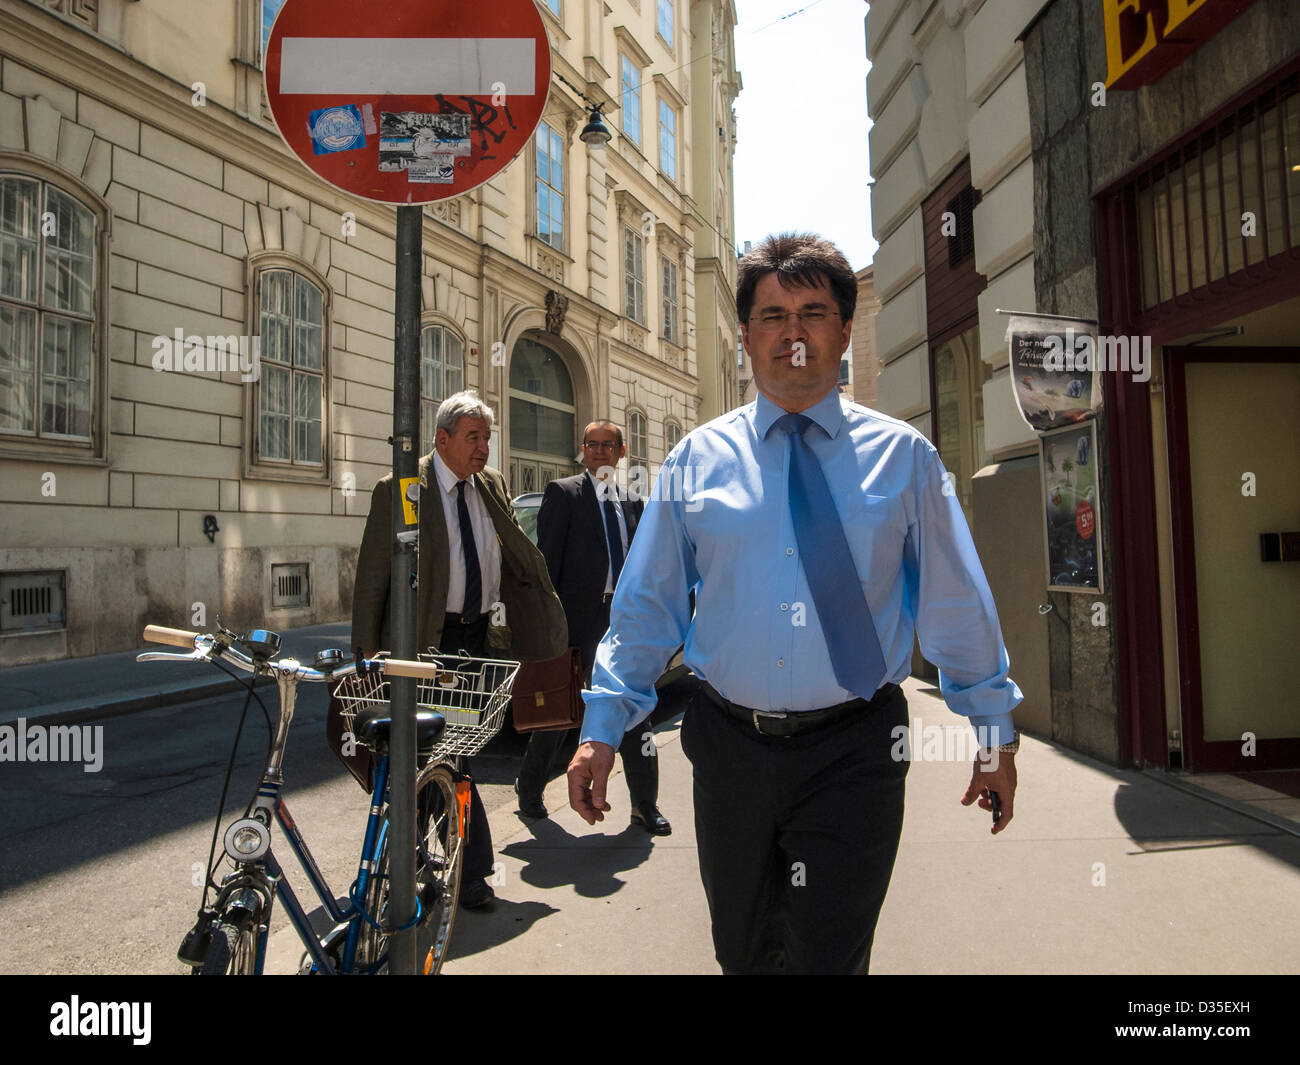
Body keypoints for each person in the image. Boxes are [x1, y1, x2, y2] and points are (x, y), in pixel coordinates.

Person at [567, 232, 1022, 973]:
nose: (793, 332)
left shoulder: (905, 460)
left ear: (844, 330)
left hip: (855, 751)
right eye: (773, 315)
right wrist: (602, 726)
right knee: (742, 953)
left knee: (828, 958)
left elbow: (956, 604)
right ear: (746, 336)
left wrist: (993, 728)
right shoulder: (695, 461)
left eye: (813, 311)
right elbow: (647, 605)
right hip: (728, 749)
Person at [350, 389, 568, 910]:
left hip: (477, 639)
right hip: (428, 641)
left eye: (488, 438)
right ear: (441, 439)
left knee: (449, 757)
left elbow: (509, 551)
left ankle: (425, 865)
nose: (484, 448)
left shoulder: (487, 484)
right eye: (474, 438)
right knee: (444, 758)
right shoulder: (402, 490)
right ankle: (467, 872)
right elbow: (371, 579)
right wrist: (363, 656)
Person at [514, 420, 670, 835]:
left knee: (634, 708)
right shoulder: (564, 494)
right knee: (560, 714)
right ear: (583, 451)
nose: (599, 452)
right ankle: (528, 790)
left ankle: (644, 806)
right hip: (576, 621)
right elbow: (546, 564)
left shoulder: (634, 503)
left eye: (607, 445)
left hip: (622, 621)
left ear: (621, 453)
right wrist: (552, 626)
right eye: (592, 445)